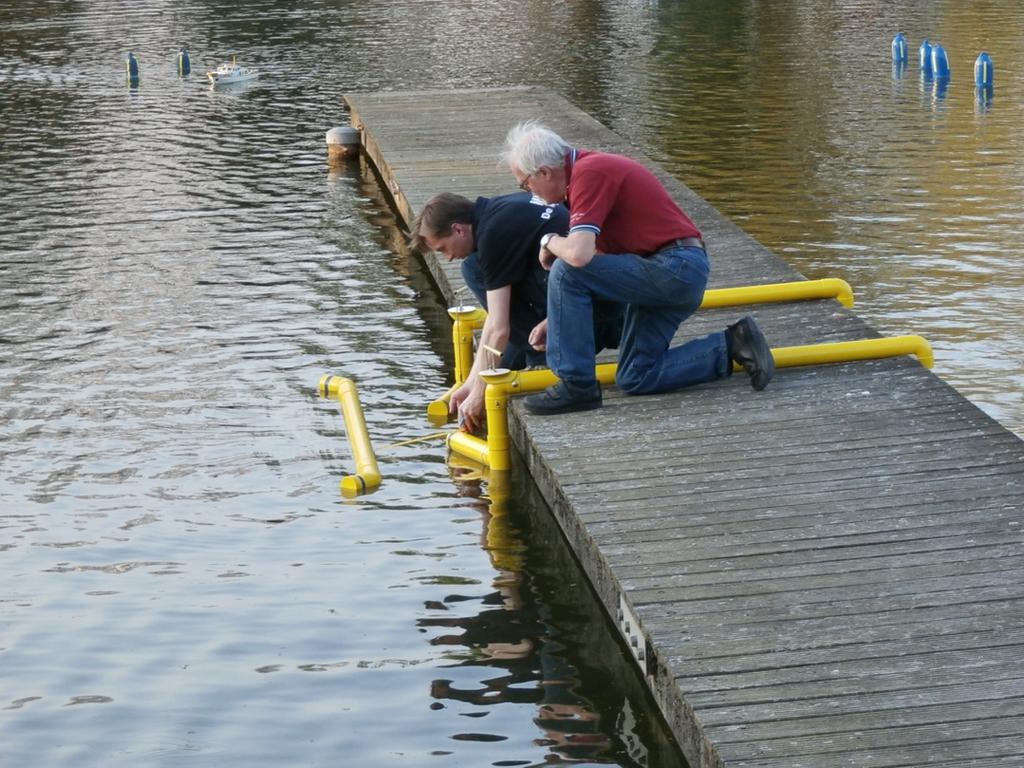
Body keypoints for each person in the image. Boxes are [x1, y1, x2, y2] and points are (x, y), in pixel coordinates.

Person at [502, 121, 775, 415]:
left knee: (567, 269)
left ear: (544, 171)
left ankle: (576, 385)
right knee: (636, 375)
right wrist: (556, 320)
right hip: (665, 271)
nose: (530, 192)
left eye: (525, 183)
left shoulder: (590, 172)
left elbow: (579, 257)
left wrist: (549, 239)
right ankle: (733, 343)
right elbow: (598, 263)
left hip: (675, 267)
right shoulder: (582, 177)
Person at [410, 191, 623, 431]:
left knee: (473, 268)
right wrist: (471, 382)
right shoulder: (500, 208)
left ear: (458, 229)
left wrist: (480, 391)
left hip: (603, 312)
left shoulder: (492, 236)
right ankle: (536, 349)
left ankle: (544, 355)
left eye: (443, 248)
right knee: (504, 357)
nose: (447, 258)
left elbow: (499, 328)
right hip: (599, 291)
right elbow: (495, 320)